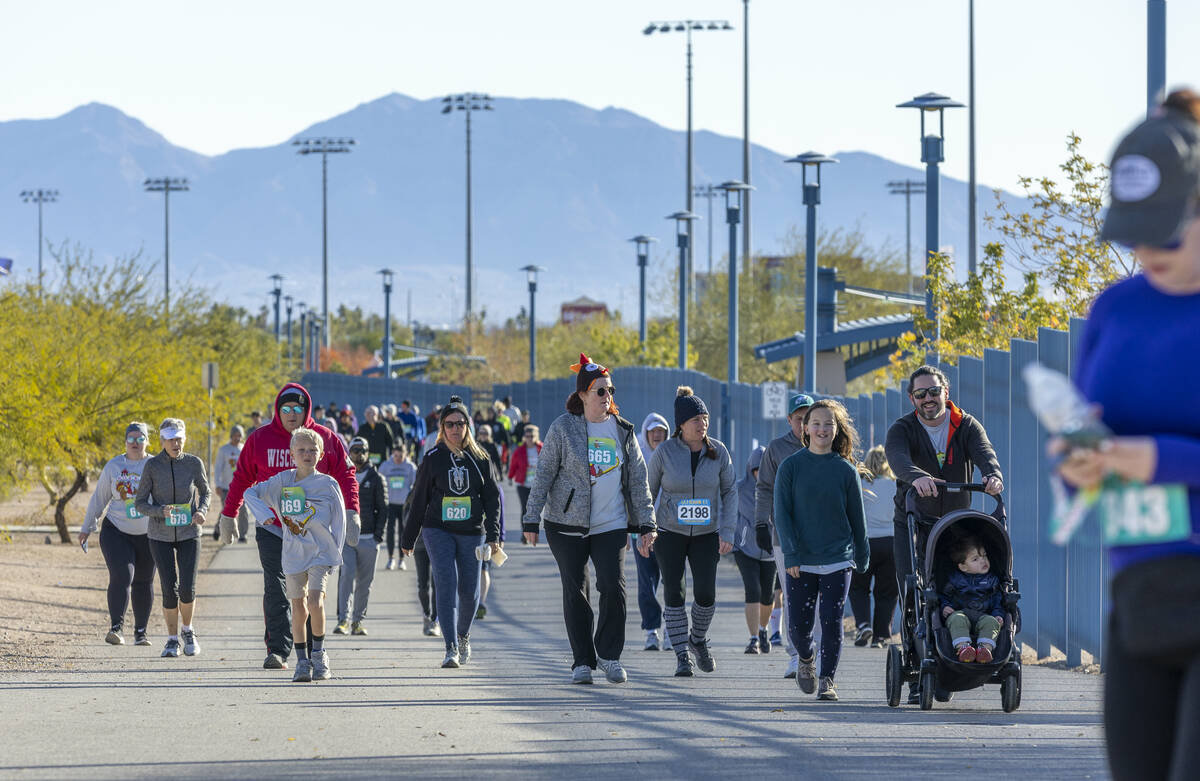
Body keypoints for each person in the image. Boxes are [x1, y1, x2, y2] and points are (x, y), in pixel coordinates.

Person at [1054, 90, 1200, 781]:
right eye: (1134, 231)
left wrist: (1159, 458)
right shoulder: (1114, 310)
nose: (1148, 249)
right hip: (1138, 598)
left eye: (1167, 229)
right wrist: (1077, 463)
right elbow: (1088, 431)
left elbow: (1147, 453)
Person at [522, 353, 657, 685]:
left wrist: (646, 523)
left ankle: (609, 655)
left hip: (610, 524)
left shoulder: (623, 431)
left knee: (614, 587)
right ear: (582, 394)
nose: (606, 397)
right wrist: (530, 519)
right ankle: (582, 661)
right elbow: (543, 475)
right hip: (566, 523)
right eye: (599, 391)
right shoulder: (563, 428)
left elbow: (638, 480)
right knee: (576, 589)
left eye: (609, 390)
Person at [218, 383, 360, 671]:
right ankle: (279, 650)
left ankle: (310, 652)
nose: (292, 414)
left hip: (312, 533)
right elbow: (243, 478)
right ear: (277, 411)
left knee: (311, 595)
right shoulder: (260, 439)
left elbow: (345, 475)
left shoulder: (324, 438)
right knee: (277, 588)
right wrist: (229, 514)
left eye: (298, 408)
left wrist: (351, 511)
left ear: (306, 410)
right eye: (286, 409)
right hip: (273, 527)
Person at [885, 365, 1003, 703]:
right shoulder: (903, 428)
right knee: (914, 591)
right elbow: (897, 458)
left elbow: (984, 453)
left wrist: (992, 475)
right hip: (913, 519)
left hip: (954, 526)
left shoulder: (965, 425)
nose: (928, 399)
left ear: (945, 392)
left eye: (933, 392)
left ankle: (950, 660)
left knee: (949, 589)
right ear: (912, 398)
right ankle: (917, 667)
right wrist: (916, 477)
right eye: (920, 394)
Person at [774, 400, 869, 702]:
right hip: (801, 560)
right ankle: (806, 658)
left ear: (837, 429)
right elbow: (782, 514)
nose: (822, 429)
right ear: (805, 428)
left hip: (838, 559)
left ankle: (827, 679)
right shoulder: (791, 466)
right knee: (799, 628)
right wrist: (790, 554)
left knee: (831, 621)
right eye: (816, 423)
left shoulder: (845, 470)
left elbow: (857, 517)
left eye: (828, 424)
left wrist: (862, 553)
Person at [400, 396, 501, 668]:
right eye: (449, 424)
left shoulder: (481, 458)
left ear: (468, 425)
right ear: (442, 428)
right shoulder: (433, 458)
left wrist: (493, 536)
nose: (455, 429)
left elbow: (493, 499)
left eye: (460, 423)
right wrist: (408, 539)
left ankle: (463, 635)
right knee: (445, 583)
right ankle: (450, 648)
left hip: (472, 531)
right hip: (438, 529)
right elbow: (419, 499)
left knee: (469, 591)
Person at [242, 427, 346, 682]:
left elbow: (340, 520)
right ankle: (302, 661)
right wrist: (264, 514)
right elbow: (250, 492)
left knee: (315, 602)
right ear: (291, 455)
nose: (307, 454)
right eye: (301, 450)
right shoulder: (282, 481)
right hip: (293, 553)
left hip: (321, 552)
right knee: (298, 606)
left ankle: (319, 654)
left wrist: (336, 553)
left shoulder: (327, 484)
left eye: (312, 450)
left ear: (320, 455)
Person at [647, 387, 737, 676]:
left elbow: (730, 491)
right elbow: (648, 492)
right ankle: (681, 655)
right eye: (696, 419)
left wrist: (728, 530)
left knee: (706, 594)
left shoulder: (718, 451)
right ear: (681, 424)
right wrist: (644, 529)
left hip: (706, 534)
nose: (702, 424)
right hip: (670, 531)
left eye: (705, 418)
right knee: (674, 591)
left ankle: (697, 639)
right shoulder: (665, 452)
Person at [134, 418, 212, 658]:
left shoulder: (193, 463)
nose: (176, 443)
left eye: (179, 438)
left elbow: (205, 491)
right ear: (162, 441)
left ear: (184, 439)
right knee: (170, 588)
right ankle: (171, 639)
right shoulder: (152, 466)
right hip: (160, 535)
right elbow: (139, 503)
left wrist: (201, 511)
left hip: (189, 532)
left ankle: (188, 631)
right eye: (171, 439)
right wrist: (160, 511)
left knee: (187, 588)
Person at [79, 422, 156, 646]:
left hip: (149, 533)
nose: (135, 443)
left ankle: (141, 632)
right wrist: (86, 527)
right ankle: (116, 628)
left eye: (140, 439)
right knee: (123, 576)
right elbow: (99, 498)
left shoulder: (155, 465)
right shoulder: (114, 466)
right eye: (131, 439)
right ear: (125, 441)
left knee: (144, 581)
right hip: (116, 531)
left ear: (147, 441)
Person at [754, 393, 815, 678]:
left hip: (821, 534)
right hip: (785, 535)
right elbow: (764, 487)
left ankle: (816, 652)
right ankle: (797, 655)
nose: (805, 424)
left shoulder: (826, 444)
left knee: (819, 596)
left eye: (809, 418)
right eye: (799, 418)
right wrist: (760, 524)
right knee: (792, 596)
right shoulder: (777, 449)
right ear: (790, 419)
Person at [334, 437, 387, 636]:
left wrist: (378, 537)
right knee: (346, 576)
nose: (359, 454)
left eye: (363, 450)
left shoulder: (376, 478)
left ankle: (358, 621)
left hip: (368, 539)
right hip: (346, 538)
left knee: (365, 582)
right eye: (355, 450)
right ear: (349, 452)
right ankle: (343, 620)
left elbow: (383, 509)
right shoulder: (342, 476)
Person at [848, 445, 898, 648]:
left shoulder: (861, 484)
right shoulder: (896, 485)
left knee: (858, 587)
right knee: (886, 592)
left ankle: (863, 624)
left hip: (865, 543)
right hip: (892, 543)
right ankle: (881, 636)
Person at [633, 413, 671, 651]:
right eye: (653, 431)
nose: (657, 435)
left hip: (669, 529)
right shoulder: (636, 456)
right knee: (647, 581)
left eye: (661, 431)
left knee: (671, 581)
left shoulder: (673, 455)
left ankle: (671, 630)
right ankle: (651, 630)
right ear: (646, 434)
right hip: (642, 529)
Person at [733, 446, 775, 655]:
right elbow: (728, 513)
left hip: (770, 551)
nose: (760, 474)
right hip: (744, 548)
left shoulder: (778, 488)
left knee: (768, 596)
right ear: (750, 469)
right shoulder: (739, 489)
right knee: (753, 590)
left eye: (764, 469)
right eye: (756, 469)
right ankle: (753, 639)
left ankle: (763, 629)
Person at [939, 535, 1003, 664]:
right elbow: (943, 596)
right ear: (963, 567)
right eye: (975, 559)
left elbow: (998, 601)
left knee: (992, 622)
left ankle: (984, 650)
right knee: (957, 619)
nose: (983, 561)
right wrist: (944, 606)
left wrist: (998, 614)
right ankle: (963, 648)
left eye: (984, 555)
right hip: (959, 613)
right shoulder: (955, 580)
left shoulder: (992, 581)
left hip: (983, 616)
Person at [474, 424, 506, 619]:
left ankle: (480, 601)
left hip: (486, 535)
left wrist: (499, 537)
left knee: (483, 568)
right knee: (478, 569)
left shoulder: (496, 490)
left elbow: (499, 512)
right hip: (472, 532)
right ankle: (477, 600)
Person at [379, 442, 417, 571]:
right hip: (389, 504)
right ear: (392, 455)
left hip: (404, 505)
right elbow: (380, 482)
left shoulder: (410, 467)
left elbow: (415, 485)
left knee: (403, 532)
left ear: (406, 455)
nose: (398, 458)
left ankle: (401, 560)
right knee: (389, 531)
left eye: (401, 456)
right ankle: (391, 559)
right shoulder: (385, 466)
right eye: (395, 455)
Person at [213, 425, 249, 544]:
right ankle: (218, 529)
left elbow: (248, 467)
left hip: (241, 487)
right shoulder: (224, 450)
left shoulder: (243, 448)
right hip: (226, 487)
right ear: (231, 436)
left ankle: (243, 534)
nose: (237, 438)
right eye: (235, 435)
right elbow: (218, 468)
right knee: (226, 510)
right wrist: (217, 484)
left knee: (243, 511)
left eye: (239, 436)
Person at [508, 424, 542, 517]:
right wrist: (510, 477)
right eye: (527, 436)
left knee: (535, 510)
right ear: (524, 437)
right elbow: (513, 465)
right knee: (525, 509)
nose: (530, 439)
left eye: (532, 436)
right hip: (523, 485)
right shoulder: (519, 451)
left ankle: (534, 531)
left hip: (537, 485)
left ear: (536, 436)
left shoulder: (542, 448)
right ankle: (524, 531)